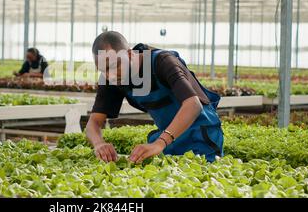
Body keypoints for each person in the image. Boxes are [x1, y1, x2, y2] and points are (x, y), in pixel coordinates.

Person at [86, 31, 223, 164]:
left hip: (201, 135)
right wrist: (99, 144)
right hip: (170, 139)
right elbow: (94, 122)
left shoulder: (163, 62)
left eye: (115, 66)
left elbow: (193, 105)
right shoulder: (112, 78)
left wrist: (160, 143)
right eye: (103, 70)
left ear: (129, 54)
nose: (111, 75)